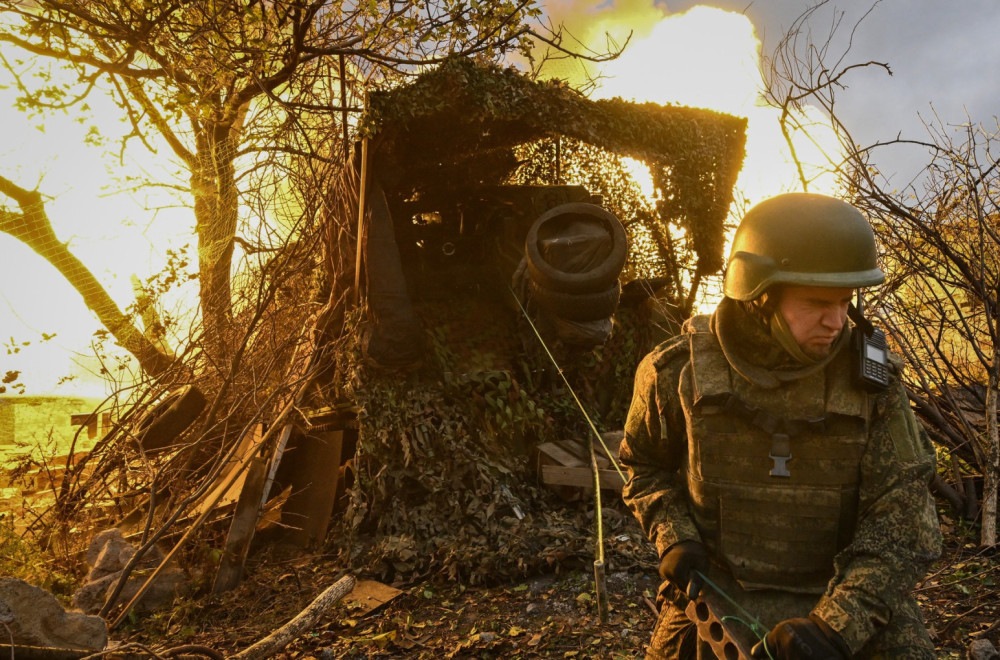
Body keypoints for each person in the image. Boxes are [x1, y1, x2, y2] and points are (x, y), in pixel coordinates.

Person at [618, 193, 941, 659]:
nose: (836, 323)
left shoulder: (872, 385)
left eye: (845, 302)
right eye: (816, 302)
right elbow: (642, 464)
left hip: (840, 591)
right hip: (719, 592)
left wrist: (836, 626)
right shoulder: (677, 373)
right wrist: (673, 535)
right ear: (759, 295)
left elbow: (906, 517)